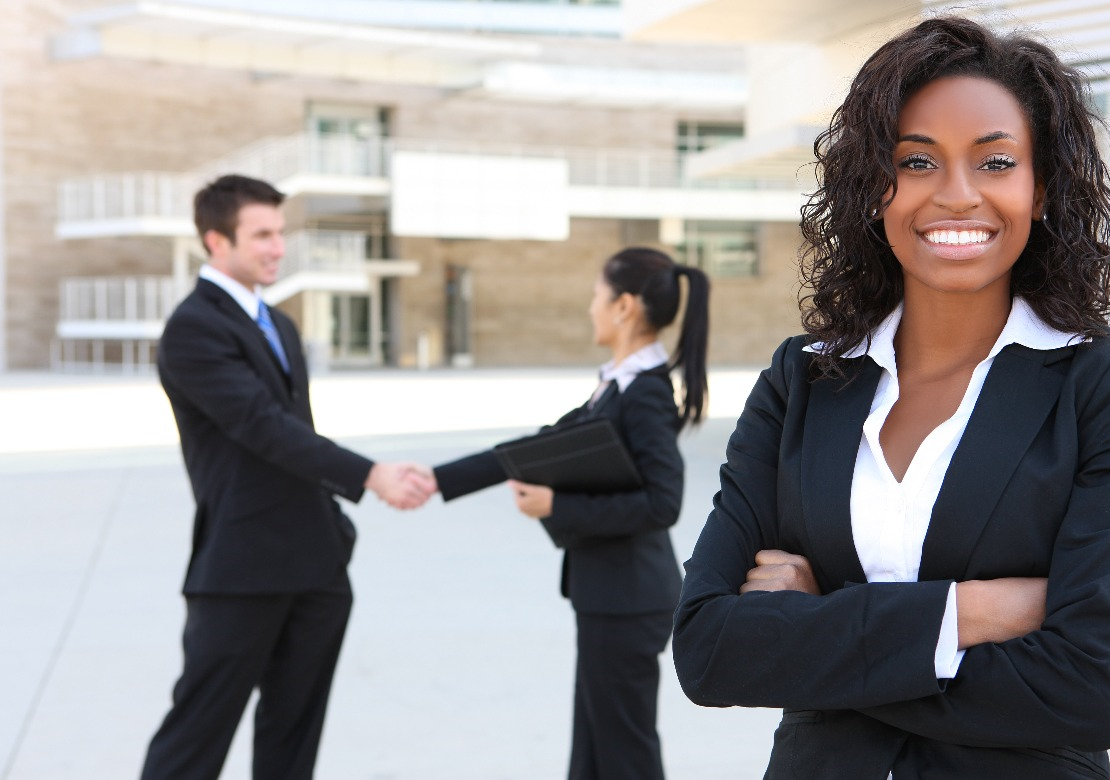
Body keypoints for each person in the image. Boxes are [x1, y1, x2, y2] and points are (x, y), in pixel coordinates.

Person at [671, 16, 1110, 780]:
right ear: (875, 187)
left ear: (1041, 188)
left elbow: (1094, 688)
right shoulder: (803, 379)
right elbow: (709, 651)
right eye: (916, 161)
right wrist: (973, 612)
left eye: (996, 161)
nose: (956, 195)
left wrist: (818, 628)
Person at [141, 174, 435, 780]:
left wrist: (335, 527)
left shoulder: (278, 323)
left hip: (316, 564)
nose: (278, 247)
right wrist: (371, 474)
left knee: (292, 741)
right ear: (215, 241)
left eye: (280, 233)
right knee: (194, 740)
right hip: (242, 567)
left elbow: (297, 432)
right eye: (262, 235)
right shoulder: (194, 329)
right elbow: (261, 426)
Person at [429, 247, 709, 780]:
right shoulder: (619, 384)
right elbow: (543, 446)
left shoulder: (644, 393)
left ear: (624, 307)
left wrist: (559, 505)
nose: (590, 309)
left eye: (596, 297)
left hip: (628, 600)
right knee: (595, 746)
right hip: (611, 595)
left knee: (624, 751)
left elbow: (662, 502)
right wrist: (441, 480)